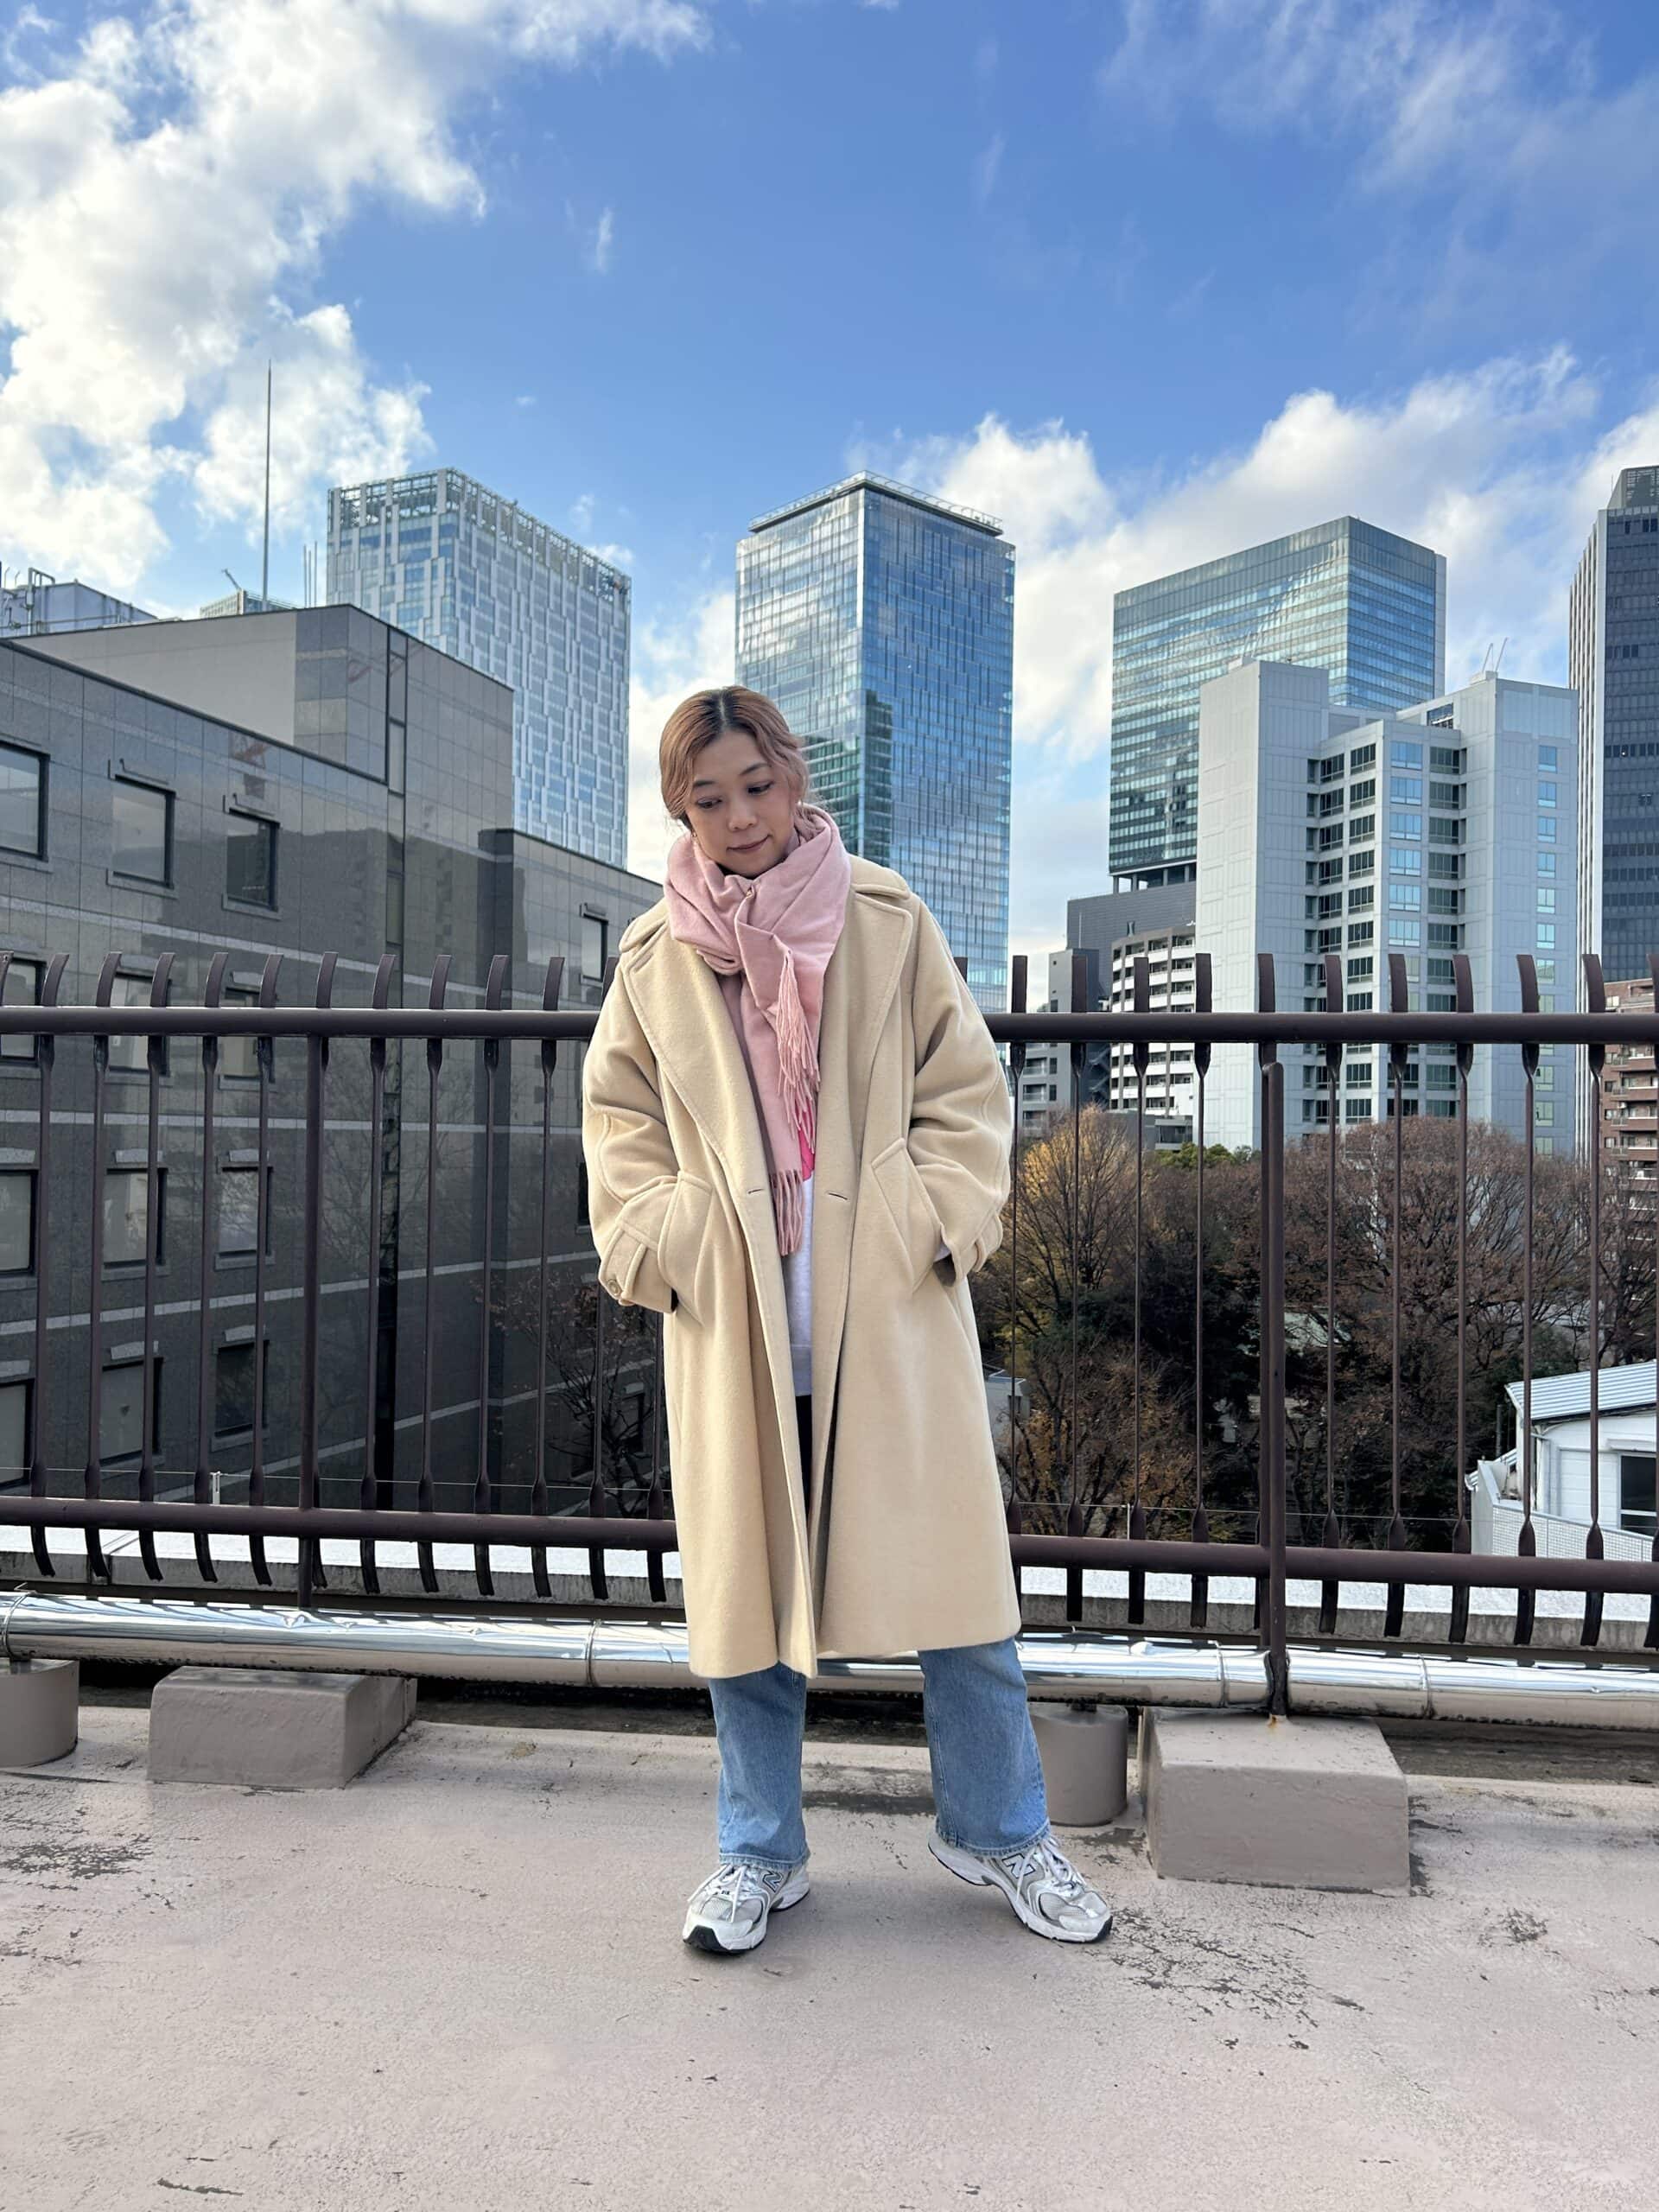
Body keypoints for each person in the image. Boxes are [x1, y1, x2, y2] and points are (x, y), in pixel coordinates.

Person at [580, 686, 1110, 1956]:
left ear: (793, 774)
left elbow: (967, 1093)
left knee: (964, 1601)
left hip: (889, 1311)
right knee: (746, 1609)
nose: (738, 819)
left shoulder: (884, 914)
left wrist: (922, 1217)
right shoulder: (655, 956)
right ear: (681, 810)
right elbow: (619, 1127)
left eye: (756, 786)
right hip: (737, 1323)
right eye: (707, 799)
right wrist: (679, 1240)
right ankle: (757, 1854)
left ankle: (1003, 1833)